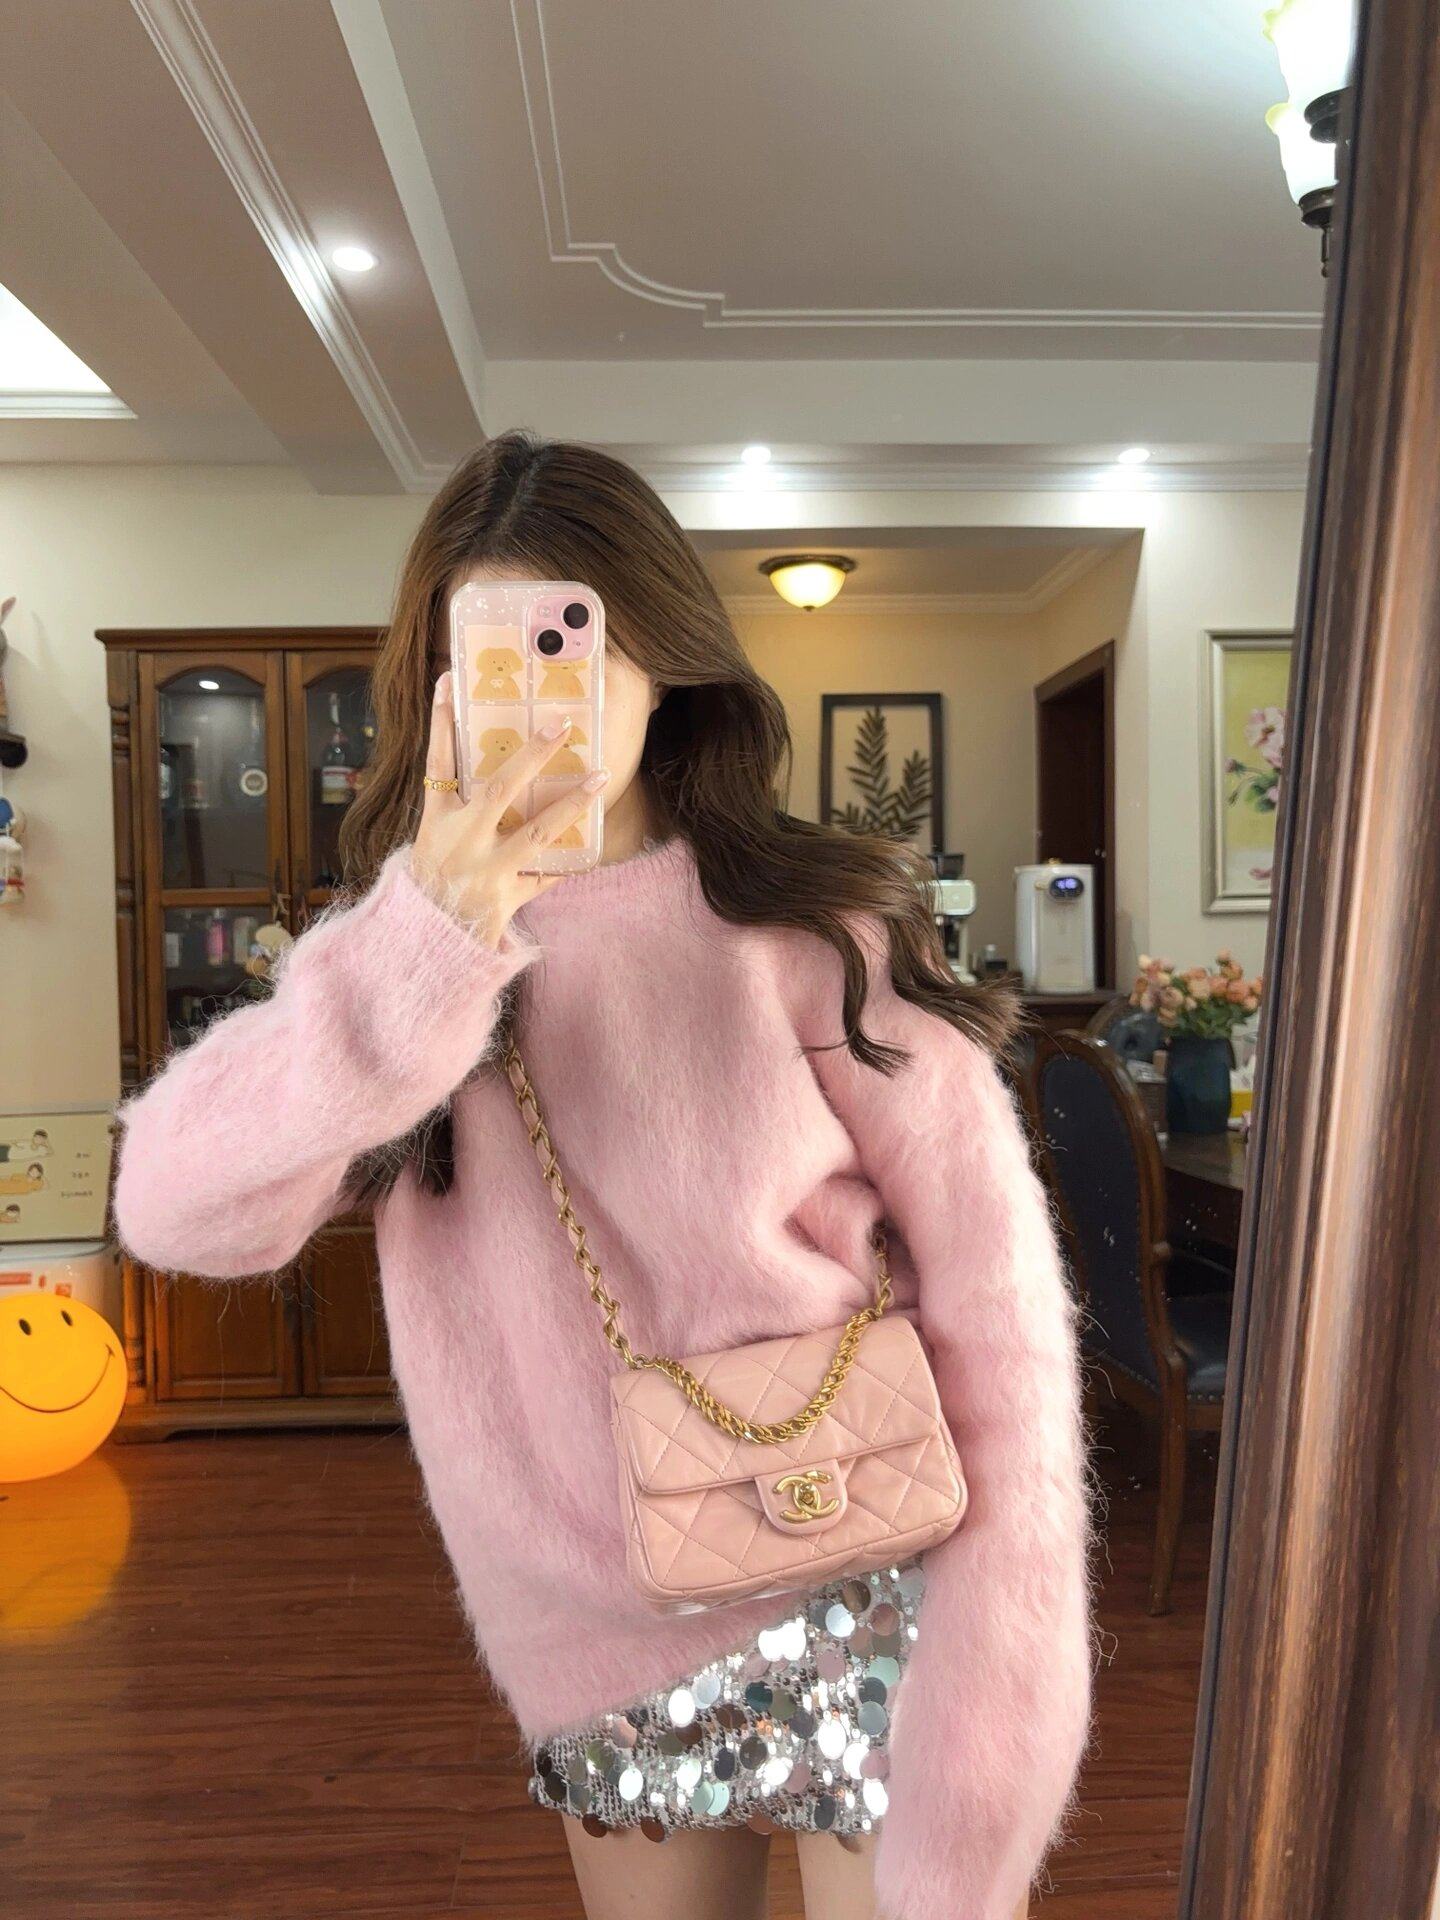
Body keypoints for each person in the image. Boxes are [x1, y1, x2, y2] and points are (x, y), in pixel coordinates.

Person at [111, 432, 1095, 1920]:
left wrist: (1002, 1679)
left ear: (661, 663)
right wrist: (428, 941)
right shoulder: (395, 963)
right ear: (435, 686)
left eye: (575, 646)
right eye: (489, 656)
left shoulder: (815, 922)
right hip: (598, 1623)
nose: (539, 695)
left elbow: (997, 1298)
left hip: (873, 1556)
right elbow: (171, 1207)